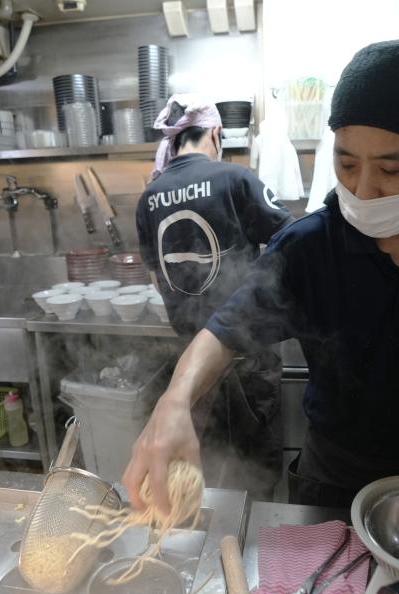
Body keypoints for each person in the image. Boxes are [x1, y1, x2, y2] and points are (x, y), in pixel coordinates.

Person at [125, 42, 399, 511]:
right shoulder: (307, 247)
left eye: (391, 168)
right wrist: (175, 400)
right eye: (346, 163)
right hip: (333, 481)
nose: (362, 189)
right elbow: (222, 334)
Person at [135, 95, 293, 500]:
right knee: (255, 473)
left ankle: (209, 549)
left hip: (192, 365)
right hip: (247, 359)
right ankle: (251, 548)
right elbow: (292, 252)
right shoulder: (235, 179)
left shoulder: (149, 197)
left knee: (203, 470)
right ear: (216, 132)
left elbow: (157, 279)